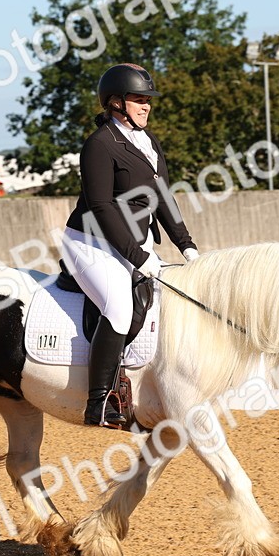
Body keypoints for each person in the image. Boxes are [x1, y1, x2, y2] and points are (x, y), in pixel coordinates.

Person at [61, 63, 200, 429]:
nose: (146, 106)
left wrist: (187, 246)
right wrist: (138, 257)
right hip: (91, 241)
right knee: (120, 308)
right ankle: (100, 401)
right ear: (116, 103)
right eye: (138, 99)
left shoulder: (148, 142)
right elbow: (102, 207)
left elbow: (163, 197)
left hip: (134, 240)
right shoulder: (100, 144)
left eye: (148, 100)